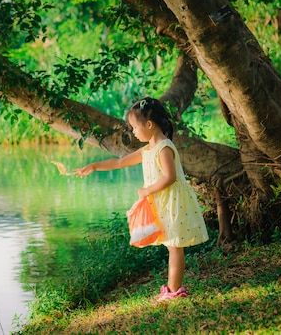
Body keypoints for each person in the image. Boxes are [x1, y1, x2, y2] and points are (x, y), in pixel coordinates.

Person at [75, 97, 209, 301]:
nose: (133, 131)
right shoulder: (148, 150)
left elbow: (170, 177)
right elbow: (120, 162)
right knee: (171, 246)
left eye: (134, 127)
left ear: (149, 124)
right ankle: (172, 289)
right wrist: (94, 166)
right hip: (163, 203)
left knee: (175, 247)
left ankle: (174, 292)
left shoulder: (164, 147)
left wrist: (147, 191)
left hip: (172, 202)